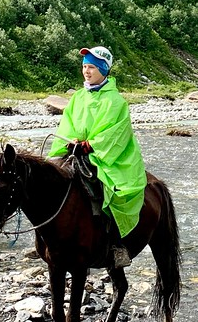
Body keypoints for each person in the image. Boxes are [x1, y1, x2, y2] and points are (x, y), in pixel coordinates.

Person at [48, 46, 146, 268]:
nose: (86, 71)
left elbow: (116, 133)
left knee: (109, 191)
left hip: (109, 157)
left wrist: (91, 145)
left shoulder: (116, 101)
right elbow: (67, 123)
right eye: (84, 67)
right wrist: (70, 141)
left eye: (91, 67)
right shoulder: (78, 97)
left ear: (103, 69)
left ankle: (116, 245)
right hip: (76, 151)